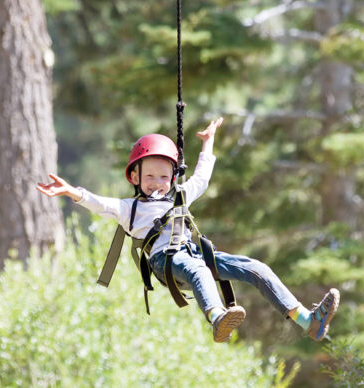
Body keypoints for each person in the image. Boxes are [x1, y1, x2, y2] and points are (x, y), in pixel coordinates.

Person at [37, 117, 339, 343]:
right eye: (150, 176)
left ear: (172, 178)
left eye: (164, 176)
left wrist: (207, 142)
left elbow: (202, 176)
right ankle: (217, 316)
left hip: (193, 253)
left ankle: (307, 321)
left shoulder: (180, 194)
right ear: (135, 176)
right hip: (166, 261)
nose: (157, 182)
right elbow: (98, 203)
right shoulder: (130, 209)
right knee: (198, 271)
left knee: (255, 268)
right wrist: (71, 192)